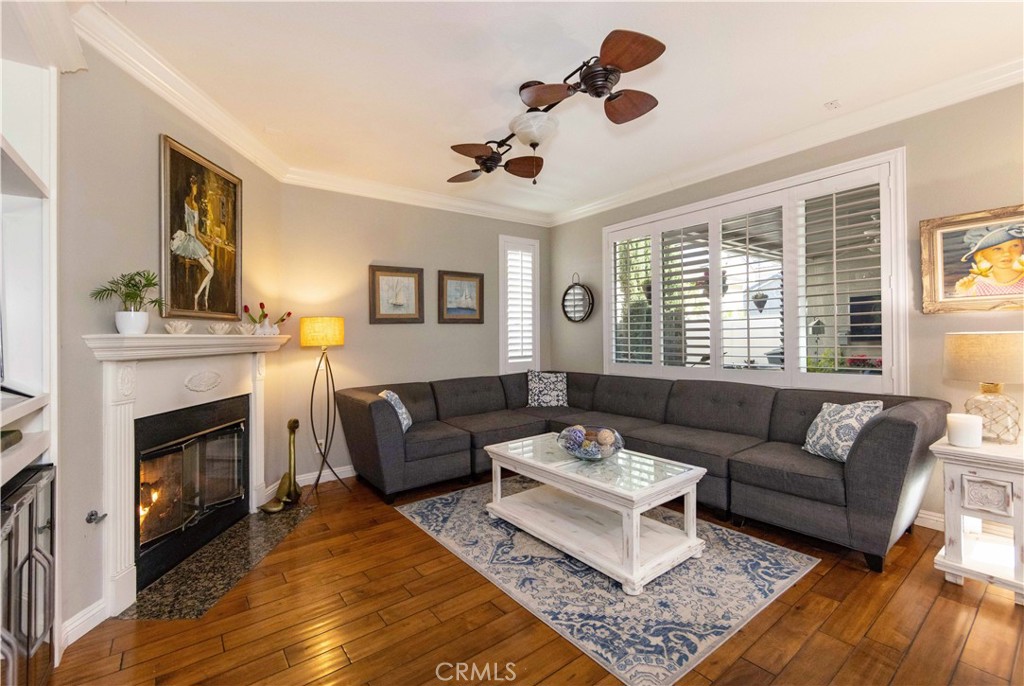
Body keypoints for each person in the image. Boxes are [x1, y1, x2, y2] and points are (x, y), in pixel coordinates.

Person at [169, 175, 215, 310]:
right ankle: (198, 295)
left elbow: (195, 231)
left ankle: (205, 299)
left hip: (190, 238)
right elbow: (197, 233)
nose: (195, 189)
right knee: (211, 270)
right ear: (192, 187)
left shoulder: (185, 202)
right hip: (192, 242)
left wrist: (206, 241)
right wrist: (206, 243)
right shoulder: (194, 205)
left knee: (212, 261)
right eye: (194, 186)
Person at [954, 223, 1024, 296]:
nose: (1007, 253)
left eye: (1015, 246)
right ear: (982, 254)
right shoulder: (975, 285)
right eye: (997, 249)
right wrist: (964, 293)